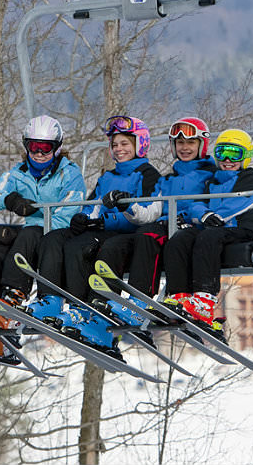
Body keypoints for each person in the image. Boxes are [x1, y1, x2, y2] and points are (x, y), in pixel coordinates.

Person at [21, 115, 161, 357]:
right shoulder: (108, 176)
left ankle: (93, 315)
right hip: (102, 228)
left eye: (125, 144)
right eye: (115, 145)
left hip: (125, 233)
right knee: (54, 238)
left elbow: (150, 213)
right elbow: (93, 205)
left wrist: (124, 206)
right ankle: (52, 301)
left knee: (82, 247)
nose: (119, 150)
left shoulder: (148, 174)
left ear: (140, 145)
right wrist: (83, 218)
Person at [0, 115, 87, 357]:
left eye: (46, 147)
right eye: (34, 146)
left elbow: (68, 214)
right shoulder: (19, 173)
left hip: (58, 238)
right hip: (30, 237)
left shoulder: (69, 174)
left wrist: (36, 220)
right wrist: (11, 201)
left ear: (58, 148)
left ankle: (12, 299)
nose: (40, 153)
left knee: (30, 234)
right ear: (26, 146)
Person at [93, 116, 217, 326]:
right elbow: (150, 212)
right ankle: (134, 302)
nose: (184, 148)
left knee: (148, 235)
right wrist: (128, 206)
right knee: (146, 232)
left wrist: (193, 217)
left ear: (201, 145)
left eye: (190, 143)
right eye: (180, 143)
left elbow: (214, 203)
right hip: (165, 226)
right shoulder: (167, 180)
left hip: (193, 229)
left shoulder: (211, 175)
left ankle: (143, 299)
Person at [161, 128, 253, 342]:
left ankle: (204, 299)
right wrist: (204, 214)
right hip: (217, 229)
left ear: (245, 157)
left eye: (234, 154)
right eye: (222, 153)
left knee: (208, 237)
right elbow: (197, 204)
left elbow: (241, 201)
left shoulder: (248, 178)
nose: (227, 160)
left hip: (244, 229)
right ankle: (179, 295)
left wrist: (215, 216)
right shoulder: (213, 180)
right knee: (181, 238)